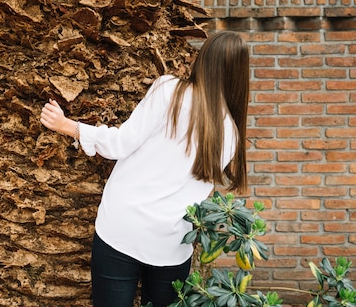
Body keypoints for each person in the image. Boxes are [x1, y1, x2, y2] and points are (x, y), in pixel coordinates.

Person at [39, 31, 250, 307]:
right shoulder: (231, 134)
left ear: (204, 59)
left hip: (122, 229)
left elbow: (121, 143)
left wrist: (69, 126)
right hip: (171, 246)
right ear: (240, 75)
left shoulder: (169, 91)